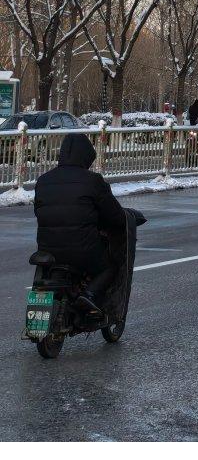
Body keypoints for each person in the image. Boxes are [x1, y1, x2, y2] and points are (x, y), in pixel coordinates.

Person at [33, 132, 127, 323]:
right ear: (86, 156)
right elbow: (115, 216)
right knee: (111, 265)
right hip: (83, 251)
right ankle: (89, 295)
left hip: (47, 250)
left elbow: (39, 212)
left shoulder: (43, 180)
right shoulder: (92, 181)